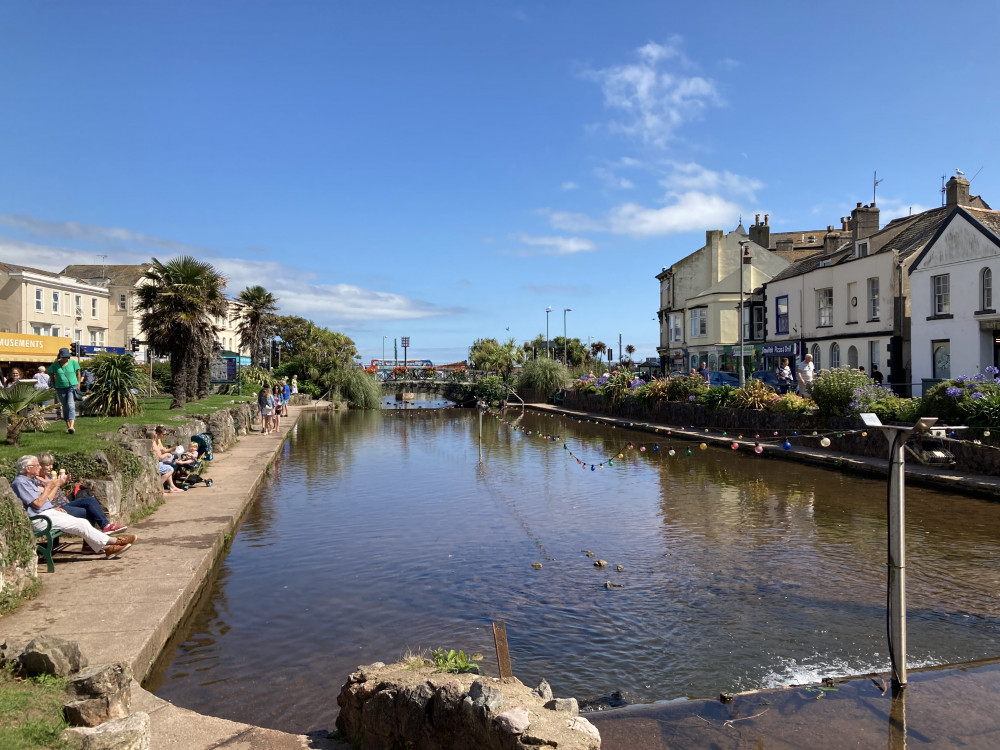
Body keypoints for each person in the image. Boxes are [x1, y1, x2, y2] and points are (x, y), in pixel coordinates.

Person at [12, 455, 136, 558]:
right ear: (28, 468)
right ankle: (114, 542)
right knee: (80, 524)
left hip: (47, 513)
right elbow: (38, 504)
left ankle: (109, 547)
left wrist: (51, 506)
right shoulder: (20, 483)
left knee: (82, 522)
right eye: (37, 465)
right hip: (39, 518)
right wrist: (49, 487)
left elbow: (40, 502)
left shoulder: (28, 481)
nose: (39, 467)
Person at [35, 451, 128, 534]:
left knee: (90, 500)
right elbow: (47, 499)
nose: (51, 467)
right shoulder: (36, 482)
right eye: (47, 465)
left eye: (51, 464)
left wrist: (63, 481)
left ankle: (105, 526)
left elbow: (56, 491)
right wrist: (57, 485)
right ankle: (89, 544)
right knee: (87, 512)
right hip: (56, 509)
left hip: (66, 503)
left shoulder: (49, 476)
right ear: (39, 465)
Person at [49, 347, 82, 434]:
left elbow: (78, 373)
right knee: (65, 407)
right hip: (60, 387)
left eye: (66, 356)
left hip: (72, 386)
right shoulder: (55, 365)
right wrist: (54, 383)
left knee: (71, 405)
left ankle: (72, 426)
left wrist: (78, 384)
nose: (65, 358)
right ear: (60, 356)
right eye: (63, 357)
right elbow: (51, 374)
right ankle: (68, 426)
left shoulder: (74, 363)